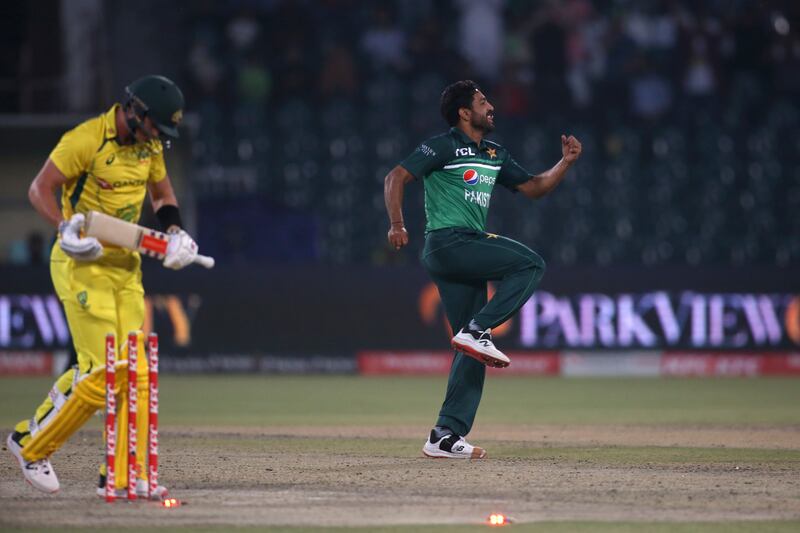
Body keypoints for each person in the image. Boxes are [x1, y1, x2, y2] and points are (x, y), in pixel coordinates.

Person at [7, 75, 201, 496]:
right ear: (134, 111)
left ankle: (123, 474)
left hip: (125, 266)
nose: (157, 138)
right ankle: (31, 445)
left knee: (138, 371)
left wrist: (176, 233)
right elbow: (40, 188)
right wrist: (64, 229)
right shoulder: (86, 139)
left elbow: (162, 195)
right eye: (155, 127)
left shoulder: (149, 146)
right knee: (103, 373)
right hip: (82, 264)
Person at [383, 80, 581, 459]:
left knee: (469, 349)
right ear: (463, 112)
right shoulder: (441, 146)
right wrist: (397, 224)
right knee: (531, 263)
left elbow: (535, 188)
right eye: (482, 101)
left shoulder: (494, 153)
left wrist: (565, 163)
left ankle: (444, 434)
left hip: (460, 249)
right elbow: (396, 177)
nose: (491, 106)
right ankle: (479, 329)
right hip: (449, 242)